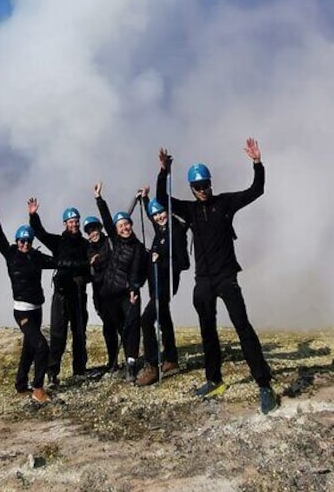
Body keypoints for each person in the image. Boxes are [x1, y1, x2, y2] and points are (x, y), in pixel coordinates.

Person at [156, 138, 278, 414]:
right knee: (207, 331)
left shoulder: (225, 203)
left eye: (205, 185)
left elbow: (257, 189)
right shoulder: (189, 209)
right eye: (197, 187)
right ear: (192, 188)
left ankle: (264, 384)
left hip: (226, 277)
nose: (202, 190)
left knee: (242, 327)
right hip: (203, 281)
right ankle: (214, 380)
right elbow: (162, 200)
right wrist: (164, 171)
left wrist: (257, 162)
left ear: (211, 182)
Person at [0, 198, 56, 404]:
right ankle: (38, 389)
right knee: (42, 346)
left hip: (37, 309)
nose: (24, 244)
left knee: (30, 347)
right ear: (17, 241)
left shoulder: (36, 257)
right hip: (22, 311)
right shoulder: (10, 254)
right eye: (21, 240)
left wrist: (86, 263)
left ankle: (20, 384)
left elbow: (58, 262)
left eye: (28, 241)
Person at [28, 198, 91, 386]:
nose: (74, 224)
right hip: (61, 294)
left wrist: (85, 278)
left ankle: (79, 370)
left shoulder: (85, 245)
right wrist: (33, 215)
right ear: (65, 224)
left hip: (79, 294)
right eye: (71, 221)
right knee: (58, 334)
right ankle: (52, 371)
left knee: (80, 334)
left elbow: (91, 268)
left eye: (76, 221)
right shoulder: (58, 242)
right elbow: (40, 233)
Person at [93, 182, 148, 382]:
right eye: (121, 226)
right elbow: (107, 219)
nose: (125, 228)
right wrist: (99, 198)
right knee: (120, 327)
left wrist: (134, 288)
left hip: (128, 294)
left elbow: (136, 271)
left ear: (131, 225)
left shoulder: (139, 248)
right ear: (116, 230)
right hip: (109, 294)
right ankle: (126, 360)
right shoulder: (115, 241)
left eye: (127, 224)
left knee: (132, 326)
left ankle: (131, 363)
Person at [135, 188, 189, 386]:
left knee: (146, 320)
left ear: (168, 211)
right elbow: (152, 217)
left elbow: (184, 263)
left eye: (161, 212)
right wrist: (145, 200)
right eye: (156, 214)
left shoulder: (176, 231)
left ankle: (152, 365)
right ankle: (172, 358)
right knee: (164, 318)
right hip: (157, 284)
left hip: (166, 285)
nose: (158, 217)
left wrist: (162, 259)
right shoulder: (162, 229)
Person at [84, 215, 123, 374]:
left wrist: (99, 199)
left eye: (95, 229)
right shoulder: (87, 250)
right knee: (108, 328)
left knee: (122, 326)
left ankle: (130, 359)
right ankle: (112, 362)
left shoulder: (110, 241)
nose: (93, 233)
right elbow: (88, 274)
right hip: (101, 296)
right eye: (90, 231)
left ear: (100, 228)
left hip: (116, 292)